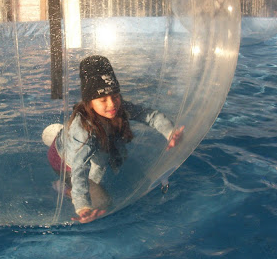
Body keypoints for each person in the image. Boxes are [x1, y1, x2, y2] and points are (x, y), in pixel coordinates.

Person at [43, 55, 184, 224]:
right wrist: (83, 205)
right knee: (104, 203)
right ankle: (64, 188)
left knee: (119, 166)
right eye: (103, 99)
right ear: (89, 102)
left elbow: (149, 115)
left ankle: (64, 136)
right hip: (65, 161)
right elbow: (79, 167)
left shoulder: (118, 108)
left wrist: (170, 132)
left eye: (115, 96)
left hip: (75, 142)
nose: (112, 104)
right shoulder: (85, 130)